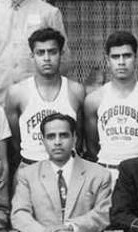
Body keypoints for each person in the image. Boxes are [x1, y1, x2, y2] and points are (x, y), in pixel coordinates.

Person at [11, 113, 112, 232]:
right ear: (43, 141)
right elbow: (20, 214)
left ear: (75, 138)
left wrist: (69, 227)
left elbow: (103, 214)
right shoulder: (28, 175)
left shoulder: (99, 174)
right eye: (51, 137)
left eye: (64, 135)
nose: (57, 142)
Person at [84, 31, 138, 182]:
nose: (121, 62)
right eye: (115, 57)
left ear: (136, 58)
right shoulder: (94, 100)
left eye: (127, 56)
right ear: (107, 60)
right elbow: (92, 145)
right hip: (107, 172)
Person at [5, 28, 85, 166]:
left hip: (67, 167)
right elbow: (15, 139)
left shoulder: (76, 90)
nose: (47, 58)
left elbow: (80, 136)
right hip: (30, 165)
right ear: (32, 55)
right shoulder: (17, 93)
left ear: (61, 53)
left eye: (52, 52)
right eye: (40, 53)